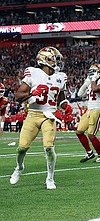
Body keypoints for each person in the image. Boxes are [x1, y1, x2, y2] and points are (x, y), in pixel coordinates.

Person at [11, 47, 71, 190]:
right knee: (21, 148)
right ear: (46, 59)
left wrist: (65, 105)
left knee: (49, 148)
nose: (57, 62)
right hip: (33, 114)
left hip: (49, 116)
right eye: (55, 58)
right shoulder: (33, 73)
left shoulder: (60, 77)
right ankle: (19, 168)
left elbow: (61, 99)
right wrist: (32, 95)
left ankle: (50, 178)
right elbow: (18, 96)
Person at [75, 63, 100, 163]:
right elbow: (79, 94)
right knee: (79, 132)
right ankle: (89, 153)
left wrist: (93, 80)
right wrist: (86, 84)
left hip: (97, 110)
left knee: (91, 135)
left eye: (93, 72)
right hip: (89, 110)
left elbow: (95, 90)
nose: (91, 74)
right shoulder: (91, 82)